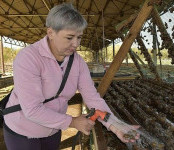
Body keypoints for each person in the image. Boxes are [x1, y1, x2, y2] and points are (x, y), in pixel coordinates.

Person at [3, 3, 139, 150]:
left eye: (79, 37)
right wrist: (72, 122)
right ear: (50, 33)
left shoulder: (77, 62)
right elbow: (32, 109)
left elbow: (92, 98)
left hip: (52, 130)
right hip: (23, 132)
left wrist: (115, 125)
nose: (76, 44)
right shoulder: (28, 58)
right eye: (69, 37)